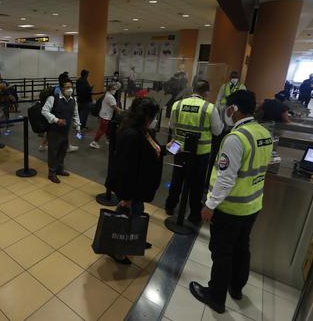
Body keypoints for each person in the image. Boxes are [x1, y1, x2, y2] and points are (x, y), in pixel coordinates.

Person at [189, 90, 273, 314]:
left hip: (231, 208)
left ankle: (216, 296)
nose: (225, 112)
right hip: (253, 205)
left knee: (222, 251)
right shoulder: (263, 133)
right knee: (241, 247)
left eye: (227, 108)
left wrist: (209, 205)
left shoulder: (236, 138)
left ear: (234, 109)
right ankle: (236, 288)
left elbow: (226, 178)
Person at [105, 97, 162, 264]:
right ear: (145, 117)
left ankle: (135, 238)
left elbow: (150, 151)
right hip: (132, 186)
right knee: (128, 215)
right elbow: (126, 168)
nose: (154, 120)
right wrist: (126, 196)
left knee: (136, 213)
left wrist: (164, 149)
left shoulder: (144, 131)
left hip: (139, 185)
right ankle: (116, 249)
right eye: (153, 116)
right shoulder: (131, 134)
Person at [165, 80, 224, 224]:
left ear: (193, 89)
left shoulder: (177, 104)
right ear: (206, 92)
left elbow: (171, 125)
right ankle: (194, 214)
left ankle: (170, 206)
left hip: (178, 149)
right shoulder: (210, 108)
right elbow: (218, 131)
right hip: (201, 152)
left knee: (177, 178)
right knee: (196, 184)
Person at [42, 78, 82, 183]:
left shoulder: (73, 100)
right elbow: (44, 111)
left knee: (62, 151)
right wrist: (56, 120)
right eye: (67, 87)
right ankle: (52, 173)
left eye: (71, 87)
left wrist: (77, 126)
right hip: (54, 131)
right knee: (53, 152)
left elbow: (75, 114)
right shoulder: (53, 98)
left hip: (65, 131)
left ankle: (60, 169)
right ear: (61, 88)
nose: (70, 89)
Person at [90, 82, 121, 149]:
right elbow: (115, 107)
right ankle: (94, 142)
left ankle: (107, 139)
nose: (115, 90)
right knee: (102, 130)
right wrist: (122, 111)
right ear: (110, 89)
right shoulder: (110, 97)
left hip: (103, 115)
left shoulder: (107, 94)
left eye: (115, 89)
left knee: (105, 129)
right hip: (105, 116)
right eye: (114, 89)